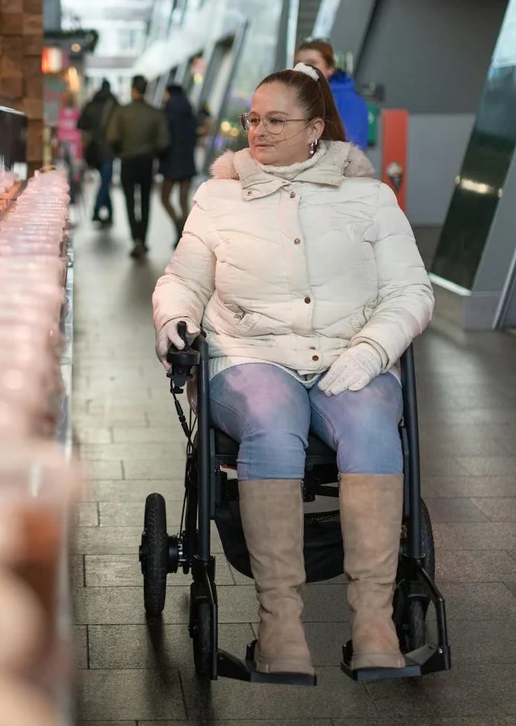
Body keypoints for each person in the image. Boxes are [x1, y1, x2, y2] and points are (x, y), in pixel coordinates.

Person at [152, 61, 433, 676]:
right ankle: (281, 627)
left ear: (314, 129)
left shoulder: (369, 199)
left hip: (348, 358)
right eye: (253, 119)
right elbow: (183, 276)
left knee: (369, 430)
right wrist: (175, 318)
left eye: (276, 120)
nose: (258, 130)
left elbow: (411, 291)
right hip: (250, 357)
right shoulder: (218, 197)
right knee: (274, 421)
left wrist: (371, 351)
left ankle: (374, 624)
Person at [107, 75, 169, 259]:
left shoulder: (121, 112)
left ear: (132, 89)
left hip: (127, 161)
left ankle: (135, 238)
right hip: (147, 161)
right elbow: (164, 141)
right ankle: (143, 238)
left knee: (129, 201)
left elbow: (112, 137)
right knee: (145, 201)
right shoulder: (155, 113)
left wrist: (120, 151)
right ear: (146, 90)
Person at [295, 39, 370, 150]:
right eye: (298, 64)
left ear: (330, 68)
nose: (303, 68)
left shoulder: (350, 100)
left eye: (311, 63)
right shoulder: (292, 97)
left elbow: (352, 147)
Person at [158, 84, 198, 247]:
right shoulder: (189, 109)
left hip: (171, 162)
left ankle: (178, 226)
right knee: (183, 201)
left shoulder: (167, 110)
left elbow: (163, 137)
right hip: (187, 161)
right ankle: (187, 234)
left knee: (165, 198)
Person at [78, 79, 119, 227]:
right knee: (105, 181)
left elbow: (80, 125)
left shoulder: (91, 104)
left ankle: (109, 213)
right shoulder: (114, 105)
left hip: (94, 149)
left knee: (104, 180)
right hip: (109, 149)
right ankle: (96, 211)